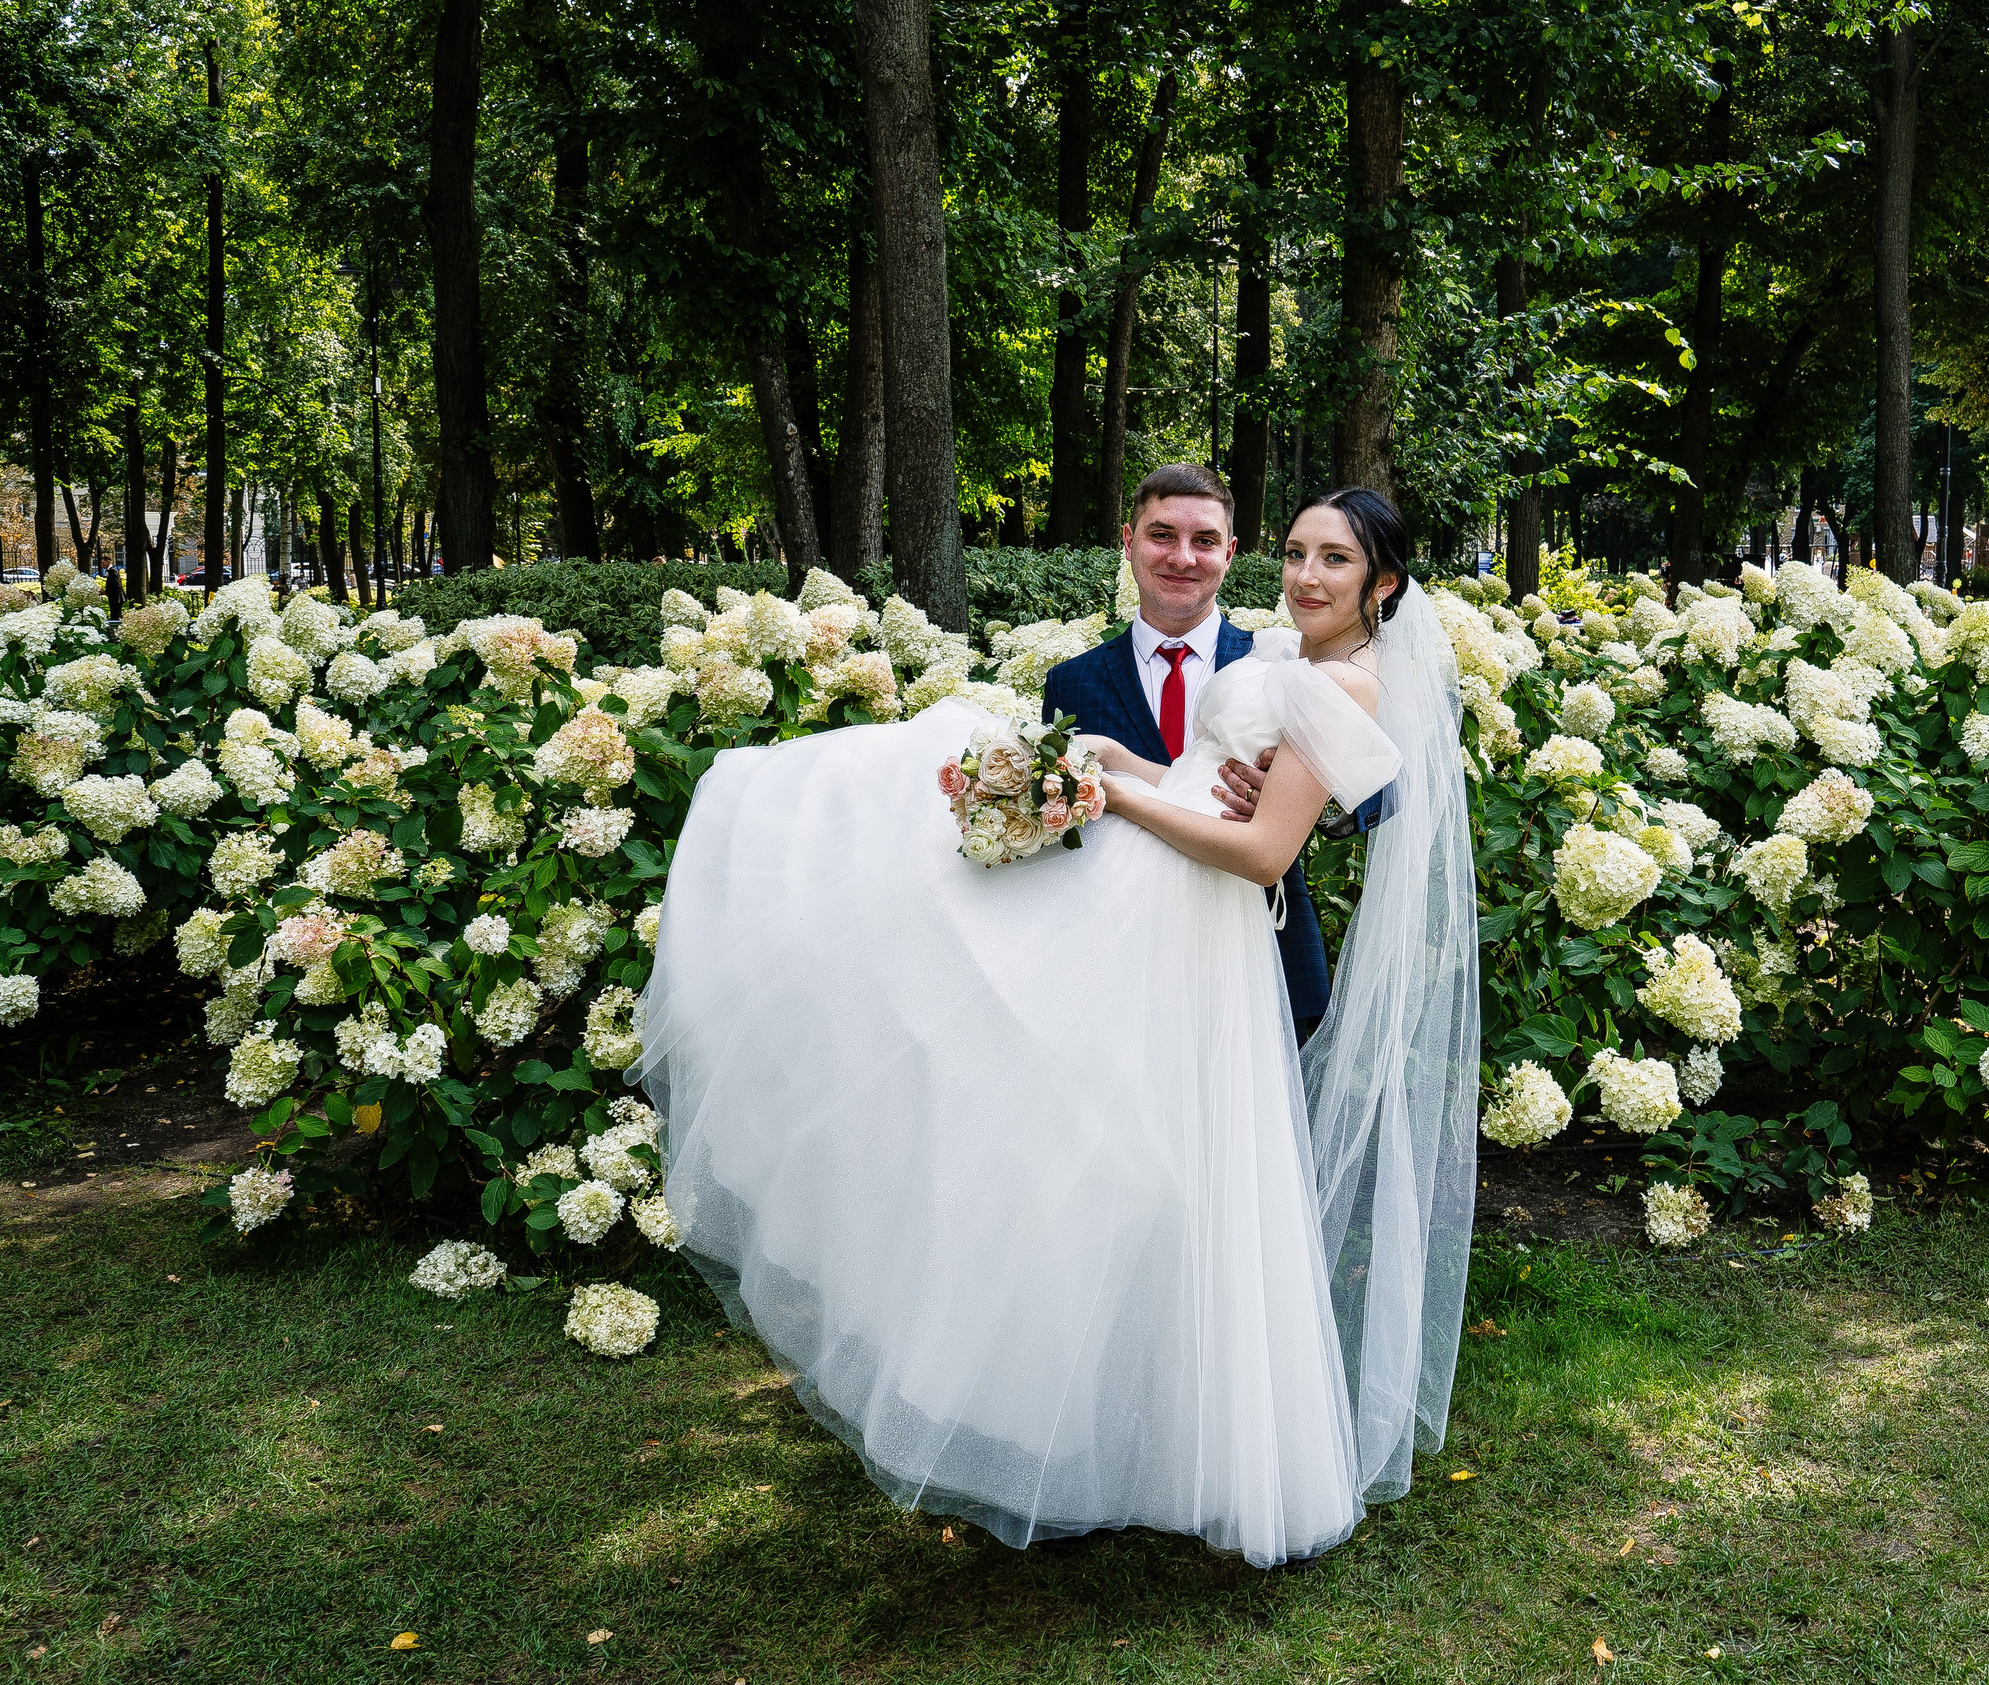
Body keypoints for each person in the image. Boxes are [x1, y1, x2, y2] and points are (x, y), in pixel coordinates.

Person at [631, 483, 1479, 1567]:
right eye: (1299, 552)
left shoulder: (1344, 682)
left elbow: (1266, 851)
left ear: (1383, 584)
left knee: (1177, 1175)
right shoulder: (1292, 661)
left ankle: (1190, 1446)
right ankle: (1121, 1428)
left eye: (1337, 561)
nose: (1307, 576)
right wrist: (1115, 765)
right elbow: (1204, 783)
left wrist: (1118, 800)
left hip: (1197, 928)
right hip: (1170, 915)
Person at [1041, 464, 1379, 1041]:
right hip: (1115, 966)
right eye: (1161, 535)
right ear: (1128, 542)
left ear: (1230, 552)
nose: (1183, 558)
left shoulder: (1280, 660)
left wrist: (1310, 802)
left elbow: (1384, 785)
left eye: (1204, 540)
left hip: (1262, 955)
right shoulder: (1070, 682)